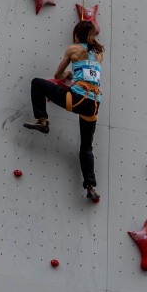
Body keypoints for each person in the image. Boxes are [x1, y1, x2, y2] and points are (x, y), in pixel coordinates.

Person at [24, 20, 104, 202]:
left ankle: (42, 121)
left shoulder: (73, 49)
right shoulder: (100, 53)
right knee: (86, 147)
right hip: (93, 105)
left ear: (76, 35)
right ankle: (90, 187)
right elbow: (90, 67)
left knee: (37, 83)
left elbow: (57, 75)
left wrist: (68, 74)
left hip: (76, 99)